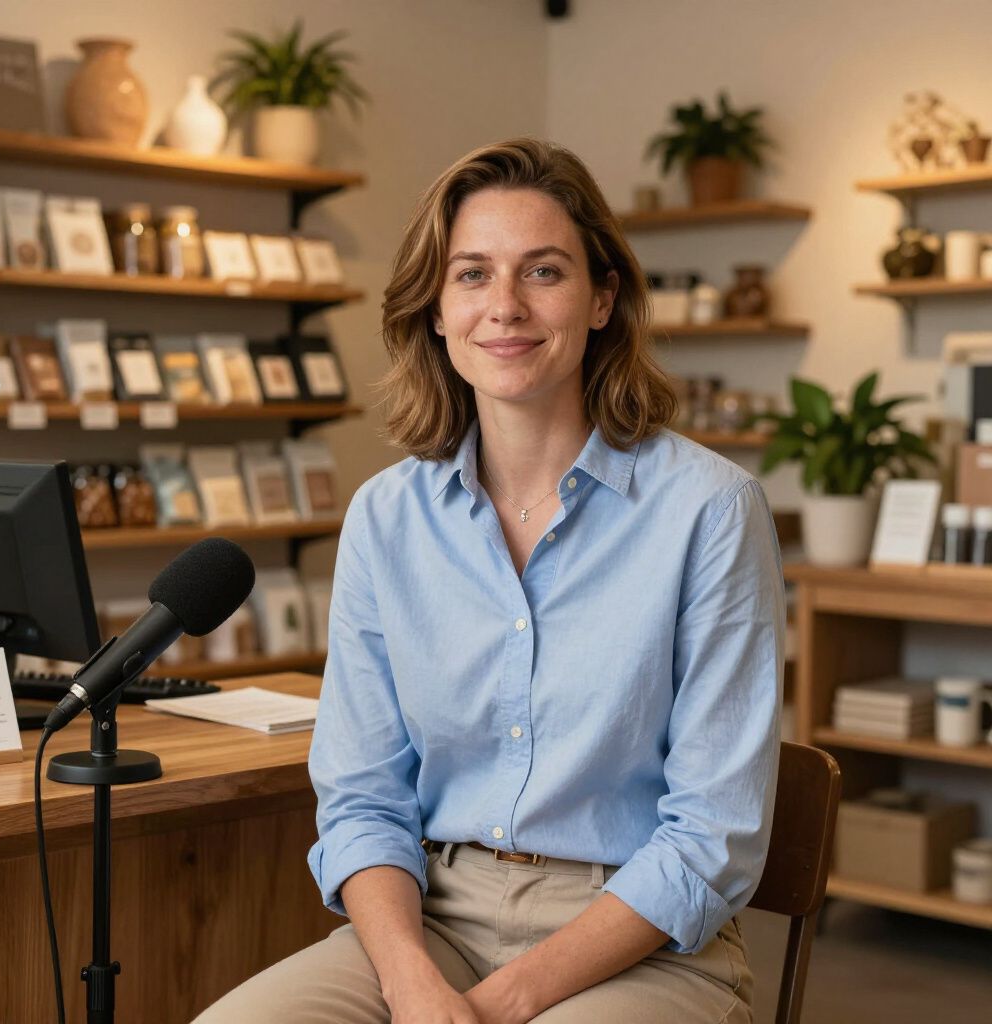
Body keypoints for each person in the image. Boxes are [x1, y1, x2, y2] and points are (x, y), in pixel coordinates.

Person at [194, 137, 784, 1024]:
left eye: (543, 272)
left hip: (642, 938)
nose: (503, 307)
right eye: (471, 275)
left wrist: (502, 1004)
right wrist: (411, 984)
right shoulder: (386, 519)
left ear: (601, 298)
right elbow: (362, 798)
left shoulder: (711, 511)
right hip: (428, 922)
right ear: (436, 308)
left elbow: (711, 839)